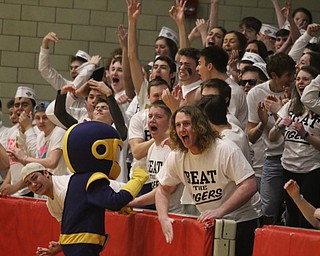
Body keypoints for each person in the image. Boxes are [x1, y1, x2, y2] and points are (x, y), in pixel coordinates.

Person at [155, 105, 261, 256]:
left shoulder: (225, 149)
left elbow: (250, 184)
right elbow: (163, 190)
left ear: (199, 126)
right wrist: (163, 217)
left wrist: (221, 210)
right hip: (210, 223)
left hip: (240, 220)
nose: (181, 129)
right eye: (177, 125)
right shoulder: (177, 156)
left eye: (186, 124)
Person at [59, 121, 148, 256]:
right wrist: (137, 181)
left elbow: (89, 205)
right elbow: (114, 201)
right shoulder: (94, 178)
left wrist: (115, 206)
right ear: (100, 150)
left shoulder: (76, 179)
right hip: (83, 243)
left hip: (72, 241)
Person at [246, 52, 296, 225]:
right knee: (267, 208)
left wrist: (282, 109)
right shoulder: (256, 94)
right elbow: (251, 138)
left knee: (295, 209)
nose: (293, 79)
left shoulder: (299, 91)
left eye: (294, 74)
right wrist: (263, 123)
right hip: (273, 158)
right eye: (288, 75)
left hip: (298, 158)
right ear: (274, 76)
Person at [268, 66, 320, 228]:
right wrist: (279, 126)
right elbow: (272, 138)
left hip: (311, 169)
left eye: (305, 79)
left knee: (307, 219)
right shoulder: (290, 106)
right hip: (289, 168)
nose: (300, 82)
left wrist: (305, 134)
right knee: (291, 217)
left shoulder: (317, 108)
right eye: (298, 79)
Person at [128, 101, 184, 213]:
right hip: (160, 211)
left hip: (176, 213)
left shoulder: (173, 150)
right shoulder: (152, 147)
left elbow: (167, 189)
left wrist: (134, 202)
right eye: (150, 116)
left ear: (169, 122)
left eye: (158, 116)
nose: (152, 120)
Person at [8, 101, 69, 177]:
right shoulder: (41, 136)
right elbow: (36, 162)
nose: (41, 121)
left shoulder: (59, 132)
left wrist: (24, 158)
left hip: (60, 181)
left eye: (45, 117)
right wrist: (20, 158)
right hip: (49, 182)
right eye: (37, 118)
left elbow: (52, 163)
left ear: (53, 118)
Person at [196, 46, 248, 130]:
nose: (197, 69)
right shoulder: (207, 88)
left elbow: (227, 126)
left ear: (209, 66)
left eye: (199, 63)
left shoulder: (233, 91)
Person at [0, 86, 37, 197]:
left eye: (25, 104)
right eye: (17, 105)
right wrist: (6, 184)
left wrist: (16, 187)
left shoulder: (39, 130)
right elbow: (12, 164)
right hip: (14, 191)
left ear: (33, 107)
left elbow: (37, 165)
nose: (20, 108)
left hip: (32, 188)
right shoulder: (11, 131)